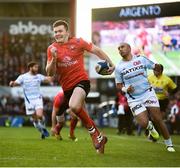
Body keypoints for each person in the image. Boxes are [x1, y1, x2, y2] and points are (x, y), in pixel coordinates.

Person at [46, 20, 115, 154]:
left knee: (74, 106)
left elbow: (97, 50)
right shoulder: (51, 48)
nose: (57, 34)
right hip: (67, 88)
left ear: (67, 32)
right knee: (82, 113)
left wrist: (111, 63)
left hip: (81, 82)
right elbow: (50, 73)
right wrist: (54, 59)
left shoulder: (78, 42)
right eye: (55, 32)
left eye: (60, 31)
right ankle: (99, 138)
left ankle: (94, 135)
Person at [114, 42, 175, 152]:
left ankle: (169, 144)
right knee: (143, 123)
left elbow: (155, 66)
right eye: (118, 48)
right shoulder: (119, 67)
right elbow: (118, 85)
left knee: (158, 118)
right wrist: (125, 89)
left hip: (148, 93)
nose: (120, 50)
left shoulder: (141, 59)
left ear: (129, 48)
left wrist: (157, 66)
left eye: (122, 47)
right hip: (134, 98)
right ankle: (150, 127)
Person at [9, 61, 52, 139]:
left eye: (37, 67)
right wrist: (12, 83)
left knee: (39, 115)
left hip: (38, 98)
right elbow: (15, 83)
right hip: (29, 100)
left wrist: (50, 76)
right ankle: (42, 131)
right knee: (34, 120)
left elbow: (48, 79)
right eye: (35, 67)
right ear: (30, 68)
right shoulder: (23, 77)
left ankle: (43, 128)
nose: (37, 69)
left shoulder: (39, 76)